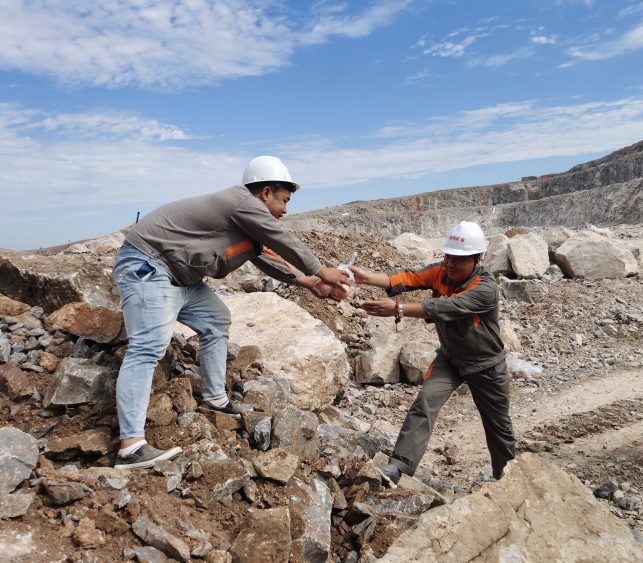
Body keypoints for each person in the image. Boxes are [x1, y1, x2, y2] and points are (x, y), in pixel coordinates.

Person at [111, 156, 350, 469]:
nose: (285, 210)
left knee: (216, 319)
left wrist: (309, 282)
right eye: (284, 200)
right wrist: (321, 269)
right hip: (148, 265)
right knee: (147, 347)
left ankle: (215, 398)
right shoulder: (241, 202)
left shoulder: (246, 224)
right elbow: (281, 239)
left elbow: (265, 257)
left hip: (179, 277)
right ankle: (130, 447)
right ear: (266, 192)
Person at [350, 221, 516, 485]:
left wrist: (398, 309)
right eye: (448, 256)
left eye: (459, 259)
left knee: (498, 427)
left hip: (486, 366)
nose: (451, 263)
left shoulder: (486, 288)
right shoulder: (440, 272)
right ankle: (397, 468)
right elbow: (406, 278)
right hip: (450, 360)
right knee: (425, 403)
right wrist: (365, 277)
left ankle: (508, 479)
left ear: (477, 259)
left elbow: (445, 306)